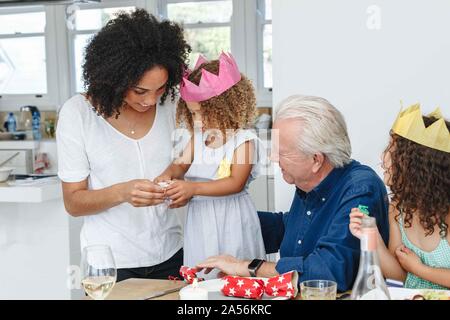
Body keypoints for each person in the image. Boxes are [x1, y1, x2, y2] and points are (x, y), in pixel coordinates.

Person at [196, 95, 390, 291]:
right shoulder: (308, 182)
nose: (273, 158)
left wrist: (248, 267)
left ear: (316, 159)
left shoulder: (361, 189)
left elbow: (328, 272)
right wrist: (232, 217)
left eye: (282, 152)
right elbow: (292, 229)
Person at [56, 9, 191, 282]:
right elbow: (73, 202)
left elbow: (185, 159)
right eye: (140, 91)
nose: (151, 100)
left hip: (171, 254)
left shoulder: (172, 105)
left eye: (161, 88)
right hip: (109, 263)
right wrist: (123, 192)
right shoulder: (78, 114)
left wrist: (182, 187)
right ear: (114, 79)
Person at [155, 53, 266, 278]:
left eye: (202, 114)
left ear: (225, 107)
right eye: (192, 114)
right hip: (200, 220)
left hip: (232, 220)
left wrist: (192, 189)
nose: (197, 121)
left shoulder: (244, 140)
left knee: (233, 277)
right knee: (202, 275)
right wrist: (165, 178)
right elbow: (179, 166)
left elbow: (235, 182)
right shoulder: (197, 138)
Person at [350, 104, 450, 289]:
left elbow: (413, 271)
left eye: (391, 148)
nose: (383, 156)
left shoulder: (447, 213)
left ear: (417, 166)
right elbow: (400, 276)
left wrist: (419, 269)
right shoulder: (398, 209)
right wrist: (373, 237)